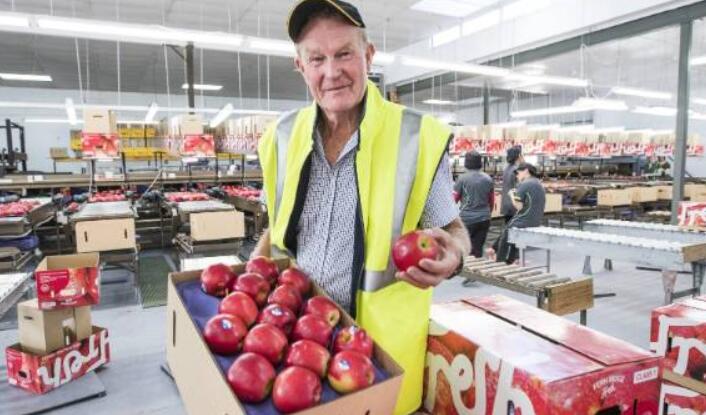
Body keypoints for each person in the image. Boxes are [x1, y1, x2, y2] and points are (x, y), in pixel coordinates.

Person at [253, 1, 471, 413]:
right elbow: (277, 228)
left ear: (368, 55)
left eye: (344, 54)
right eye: (317, 59)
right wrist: (250, 280)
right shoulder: (280, 138)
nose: (331, 71)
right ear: (301, 67)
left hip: (379, 359)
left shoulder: (414, 138)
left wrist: (455, 255)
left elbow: (454, 230)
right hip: (297, 347)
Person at [495, 162, 546, 264]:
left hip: (524, 220)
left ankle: (499, 262)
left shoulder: (525, 184)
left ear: (526, 171)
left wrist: (512, 194)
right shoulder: (538, 183)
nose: (517, 176)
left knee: (505, 236)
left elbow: (518, 206)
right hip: (536, 220)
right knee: (514, 238)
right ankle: (511, 260)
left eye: (518, 173)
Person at [454, 151, 494, 258]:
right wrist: (487, 214)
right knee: (478, 247)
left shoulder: (462, 179)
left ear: (466, 163)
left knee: (465, 247)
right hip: (484, 218)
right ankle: (478, 263)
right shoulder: (488, 179)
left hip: (467, 219)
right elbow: (491, 201)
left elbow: (454, 199)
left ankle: (467, 267)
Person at [488, 145, 522, 259]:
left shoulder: (507, 168)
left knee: (510, 230)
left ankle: (511, 256)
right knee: (514, 231)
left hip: (506, 204)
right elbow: (518, 189)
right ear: (518, 156)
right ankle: (496, 249)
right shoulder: (516, 170)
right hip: (514, 204)